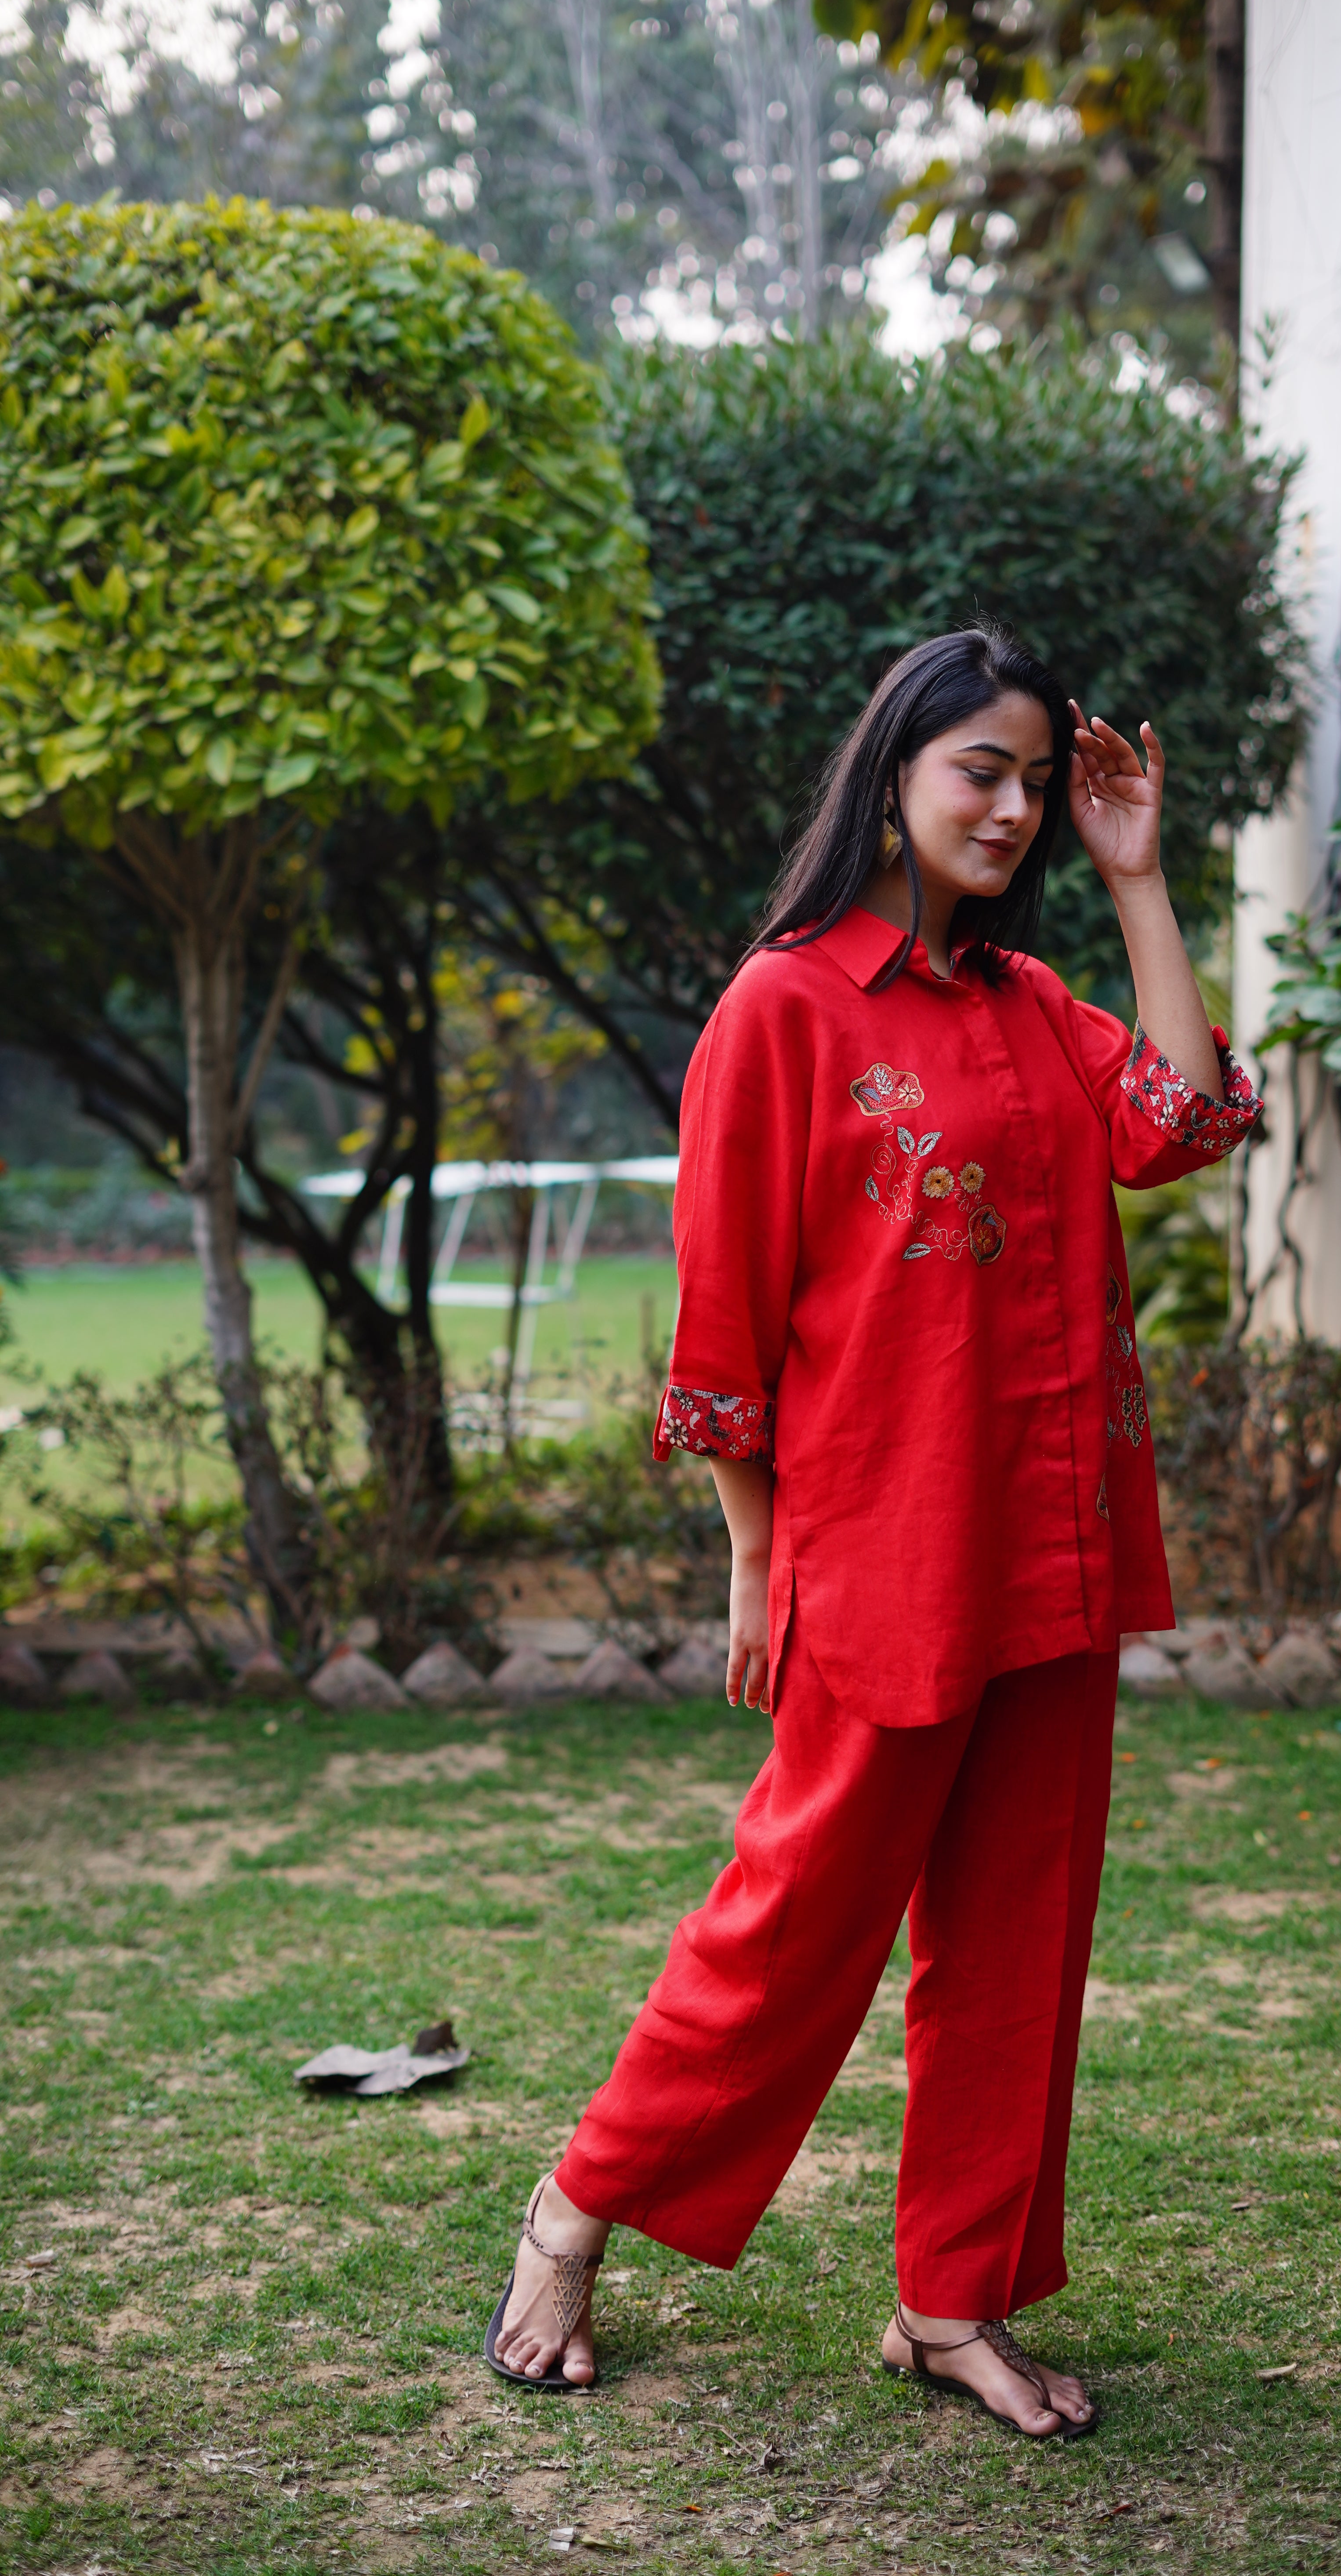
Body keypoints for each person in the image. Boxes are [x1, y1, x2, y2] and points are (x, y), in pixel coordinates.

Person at [485, 623, 1260, 2438]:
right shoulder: (786, 1007)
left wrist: (1138, 877)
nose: (1004, 807)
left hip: (1050, 1548)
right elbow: (723, 1319)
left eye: (1025, 779)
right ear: (894, 778)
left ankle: (950, 2304)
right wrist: (761, 1556)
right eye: (971, 771)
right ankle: (575, 2211)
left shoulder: (1028, 1003)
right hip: (885, 1555)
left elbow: (1187, 1117)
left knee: (1017, 1943)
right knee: (793, 1923)